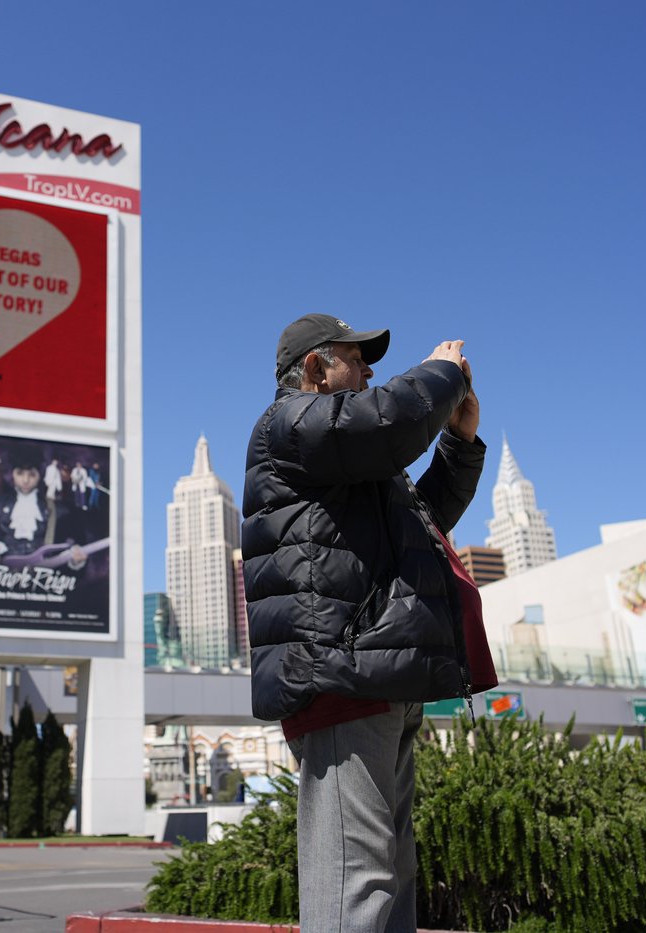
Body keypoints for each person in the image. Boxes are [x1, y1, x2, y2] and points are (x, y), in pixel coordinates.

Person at [241, 313, 493, 932]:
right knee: (357, 881)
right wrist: (441, 374)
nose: (372, 370)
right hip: (341, 676)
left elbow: (420, 526)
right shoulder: (290, 425)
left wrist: (458, 447)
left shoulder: (342, 454)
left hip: (377, 677)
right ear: (315, 369)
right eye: (358, 358)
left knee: (389, 874)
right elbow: (394, 418)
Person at [0, 452, 87, 569]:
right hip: (3, 573)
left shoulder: (58, 510)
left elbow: (70, 546)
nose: (25, 480)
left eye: (32, 475)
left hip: (42, 574)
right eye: (20, 473)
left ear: (40, 475)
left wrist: (75, 559)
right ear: (12, 474)